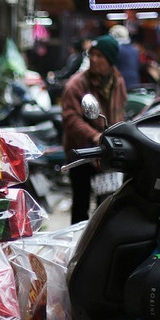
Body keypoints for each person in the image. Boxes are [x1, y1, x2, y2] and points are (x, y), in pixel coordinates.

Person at [60, 34, 127, 224]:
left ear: (111, 59)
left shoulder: (118, 80)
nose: (94, 60)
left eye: (100, 56)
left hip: (106, 151)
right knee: (80, 204)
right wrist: (95, 136)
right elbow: (71, 119)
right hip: (82, 152)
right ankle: (78, 240)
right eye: (92, 55)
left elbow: (120, 110)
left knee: (107, 205)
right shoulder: (76, 84)